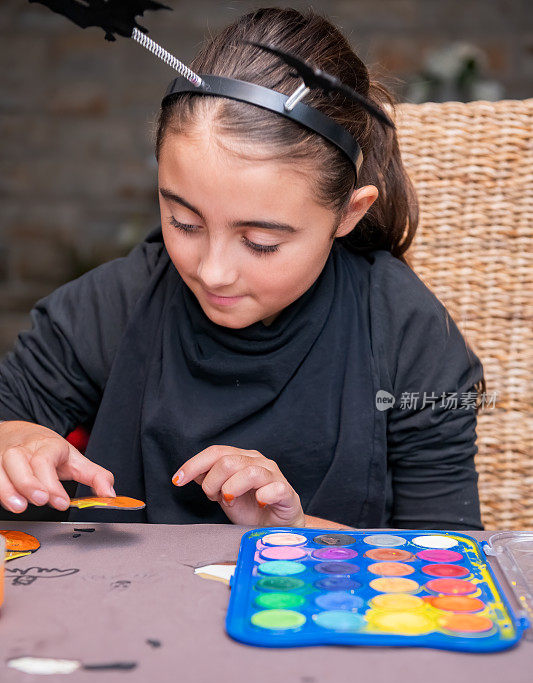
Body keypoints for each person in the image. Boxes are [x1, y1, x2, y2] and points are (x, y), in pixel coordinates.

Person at [0, 7, 484, 530]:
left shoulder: (407, 334)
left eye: (260, 243)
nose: (213, 272)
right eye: (184, 223)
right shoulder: (109, 309)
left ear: (349, 214)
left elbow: (449, 566)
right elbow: (10, 417)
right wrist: (13, 443)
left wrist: (294, 531)